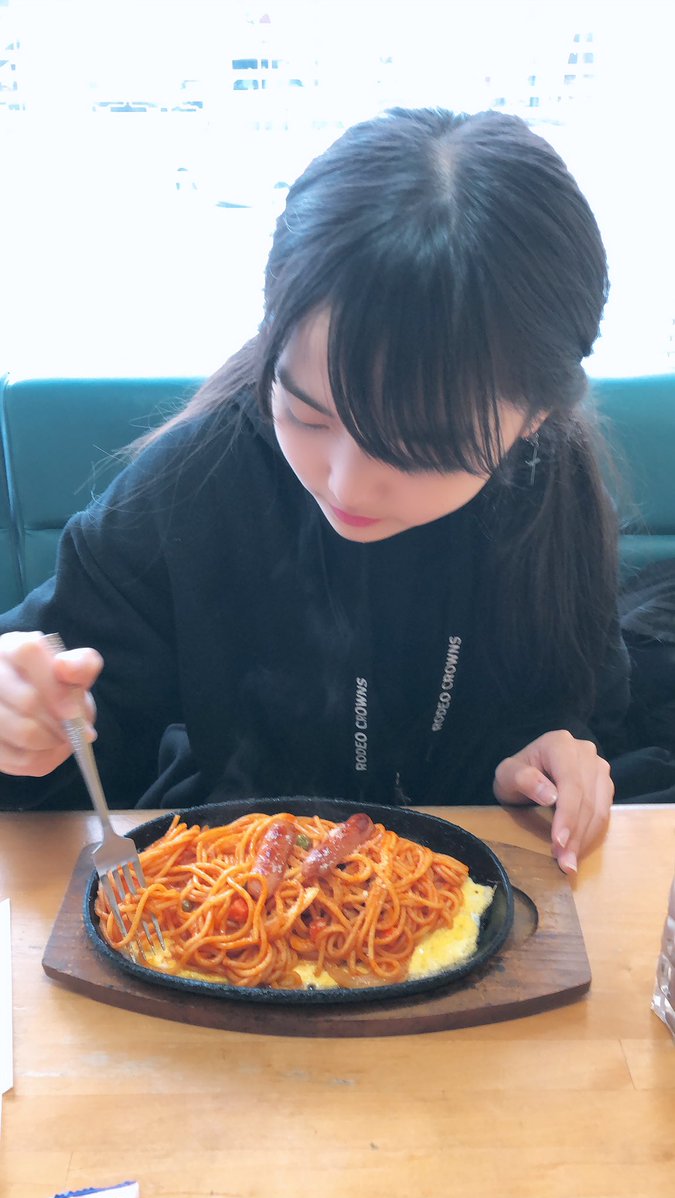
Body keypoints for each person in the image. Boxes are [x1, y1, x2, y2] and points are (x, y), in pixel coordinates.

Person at [0, 107, 629, 874]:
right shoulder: (192, 486)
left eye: (420, 451)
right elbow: (69, 721)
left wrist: (538, 764)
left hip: (470, 902)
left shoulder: (553, 498)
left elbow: (573, 711)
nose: (343, 480)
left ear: (535, 416)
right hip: (230, 898)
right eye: (305, 413)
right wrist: (25, 725)